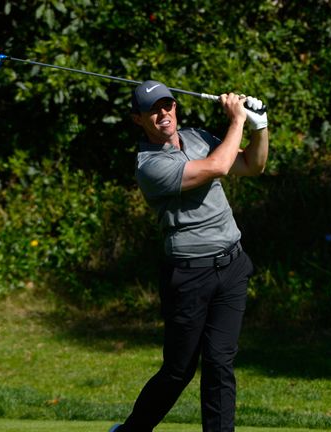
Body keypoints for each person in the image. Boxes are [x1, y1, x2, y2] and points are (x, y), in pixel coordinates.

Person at [109, 80, 269, 432]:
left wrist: (260, 128)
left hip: (232, 266)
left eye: (167, 105)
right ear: (138, 119)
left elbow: (250, 166)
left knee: (219, 364)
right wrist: (237, 121)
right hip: (189, 276)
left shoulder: (197, 137)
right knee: (178, 371)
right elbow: (217, 167)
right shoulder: (149, 166)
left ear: (175, 107)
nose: (163, 114)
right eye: (152, 109)